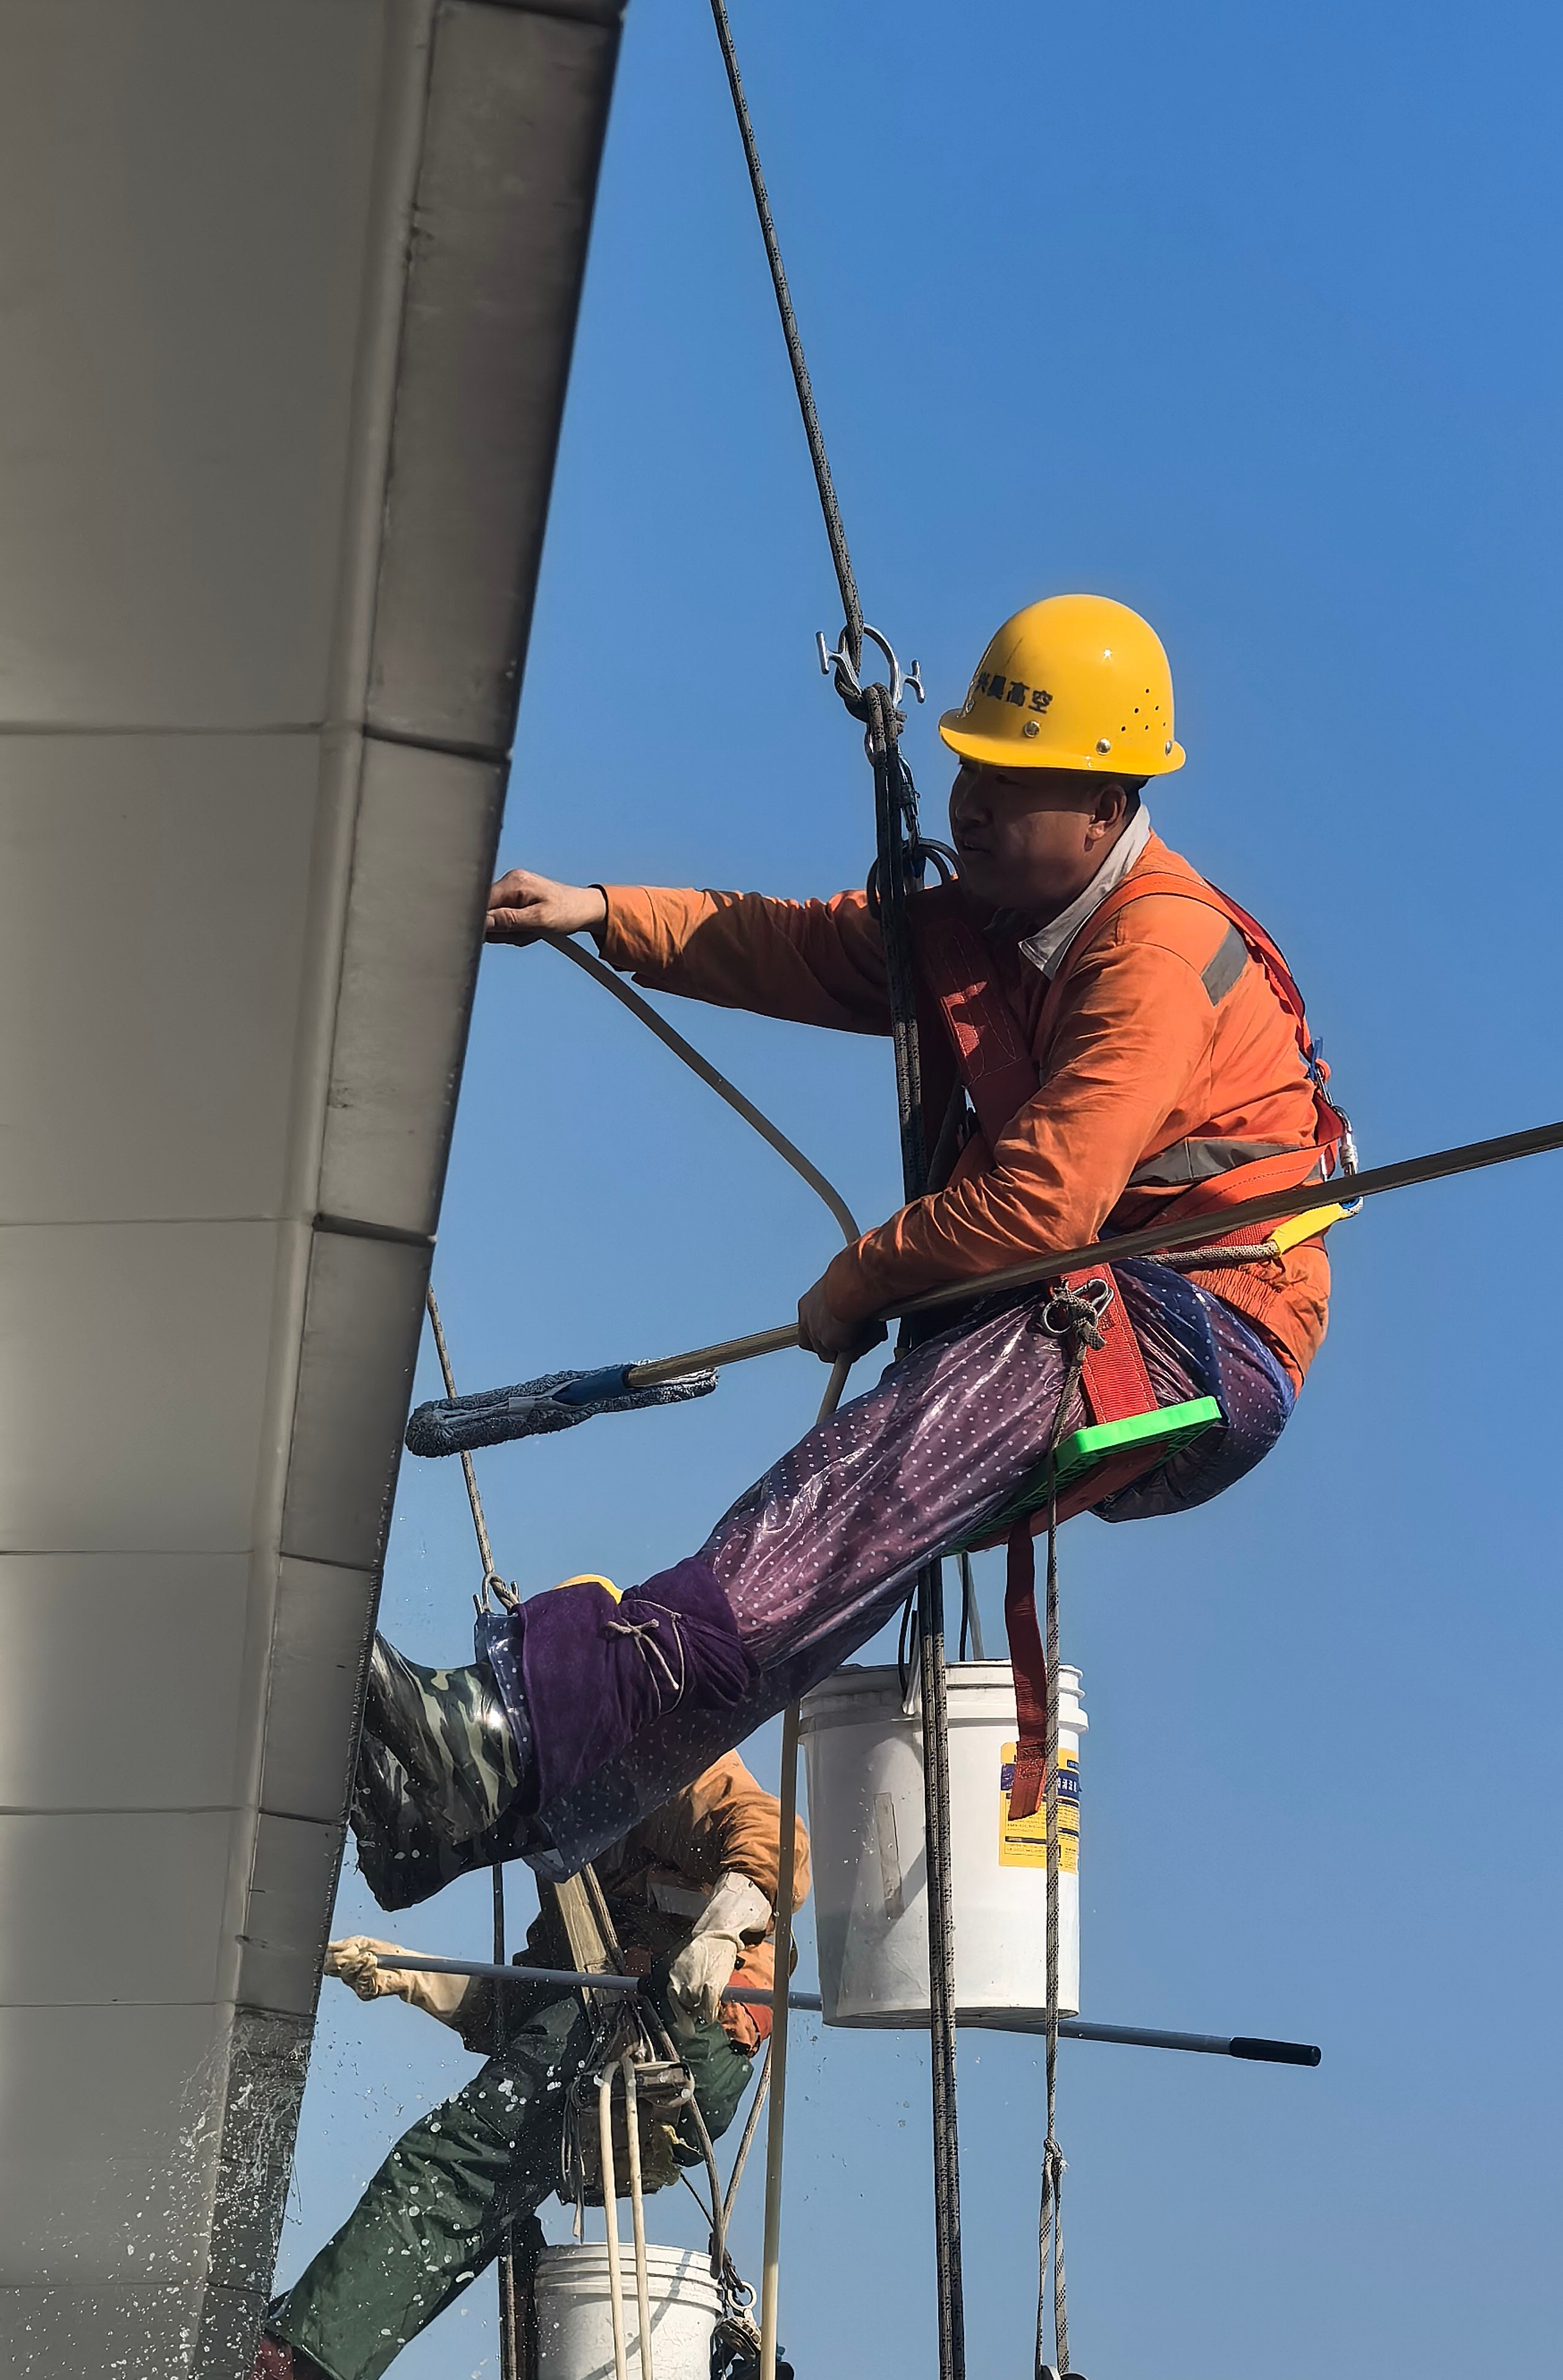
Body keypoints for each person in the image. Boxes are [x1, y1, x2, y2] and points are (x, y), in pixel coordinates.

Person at [348, 595, 1347, 1910]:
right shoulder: (988, 919)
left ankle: (500, 1739)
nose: (972, 800)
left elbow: (1042, 1204)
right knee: (836, 1527)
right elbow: (806, 945)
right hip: (1079, 1305)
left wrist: (863, 1278)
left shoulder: (1154, 950)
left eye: (1012, 781)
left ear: (1105, 809)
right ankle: (512, 1797)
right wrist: (600, 911)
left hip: (1196, 1329)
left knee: (854, 1499)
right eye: (971, 766)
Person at [232, 1749, 806, 2380]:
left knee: (450, 2167)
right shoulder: (576, 1876)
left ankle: (273, 2368)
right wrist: (410, 1977)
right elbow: (532, 2010)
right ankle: (295, 2349)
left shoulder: (655, 1755)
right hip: (635, 2041)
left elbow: (780, 1840)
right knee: (486, 2192)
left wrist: (720, 1931)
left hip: (685, 2037)